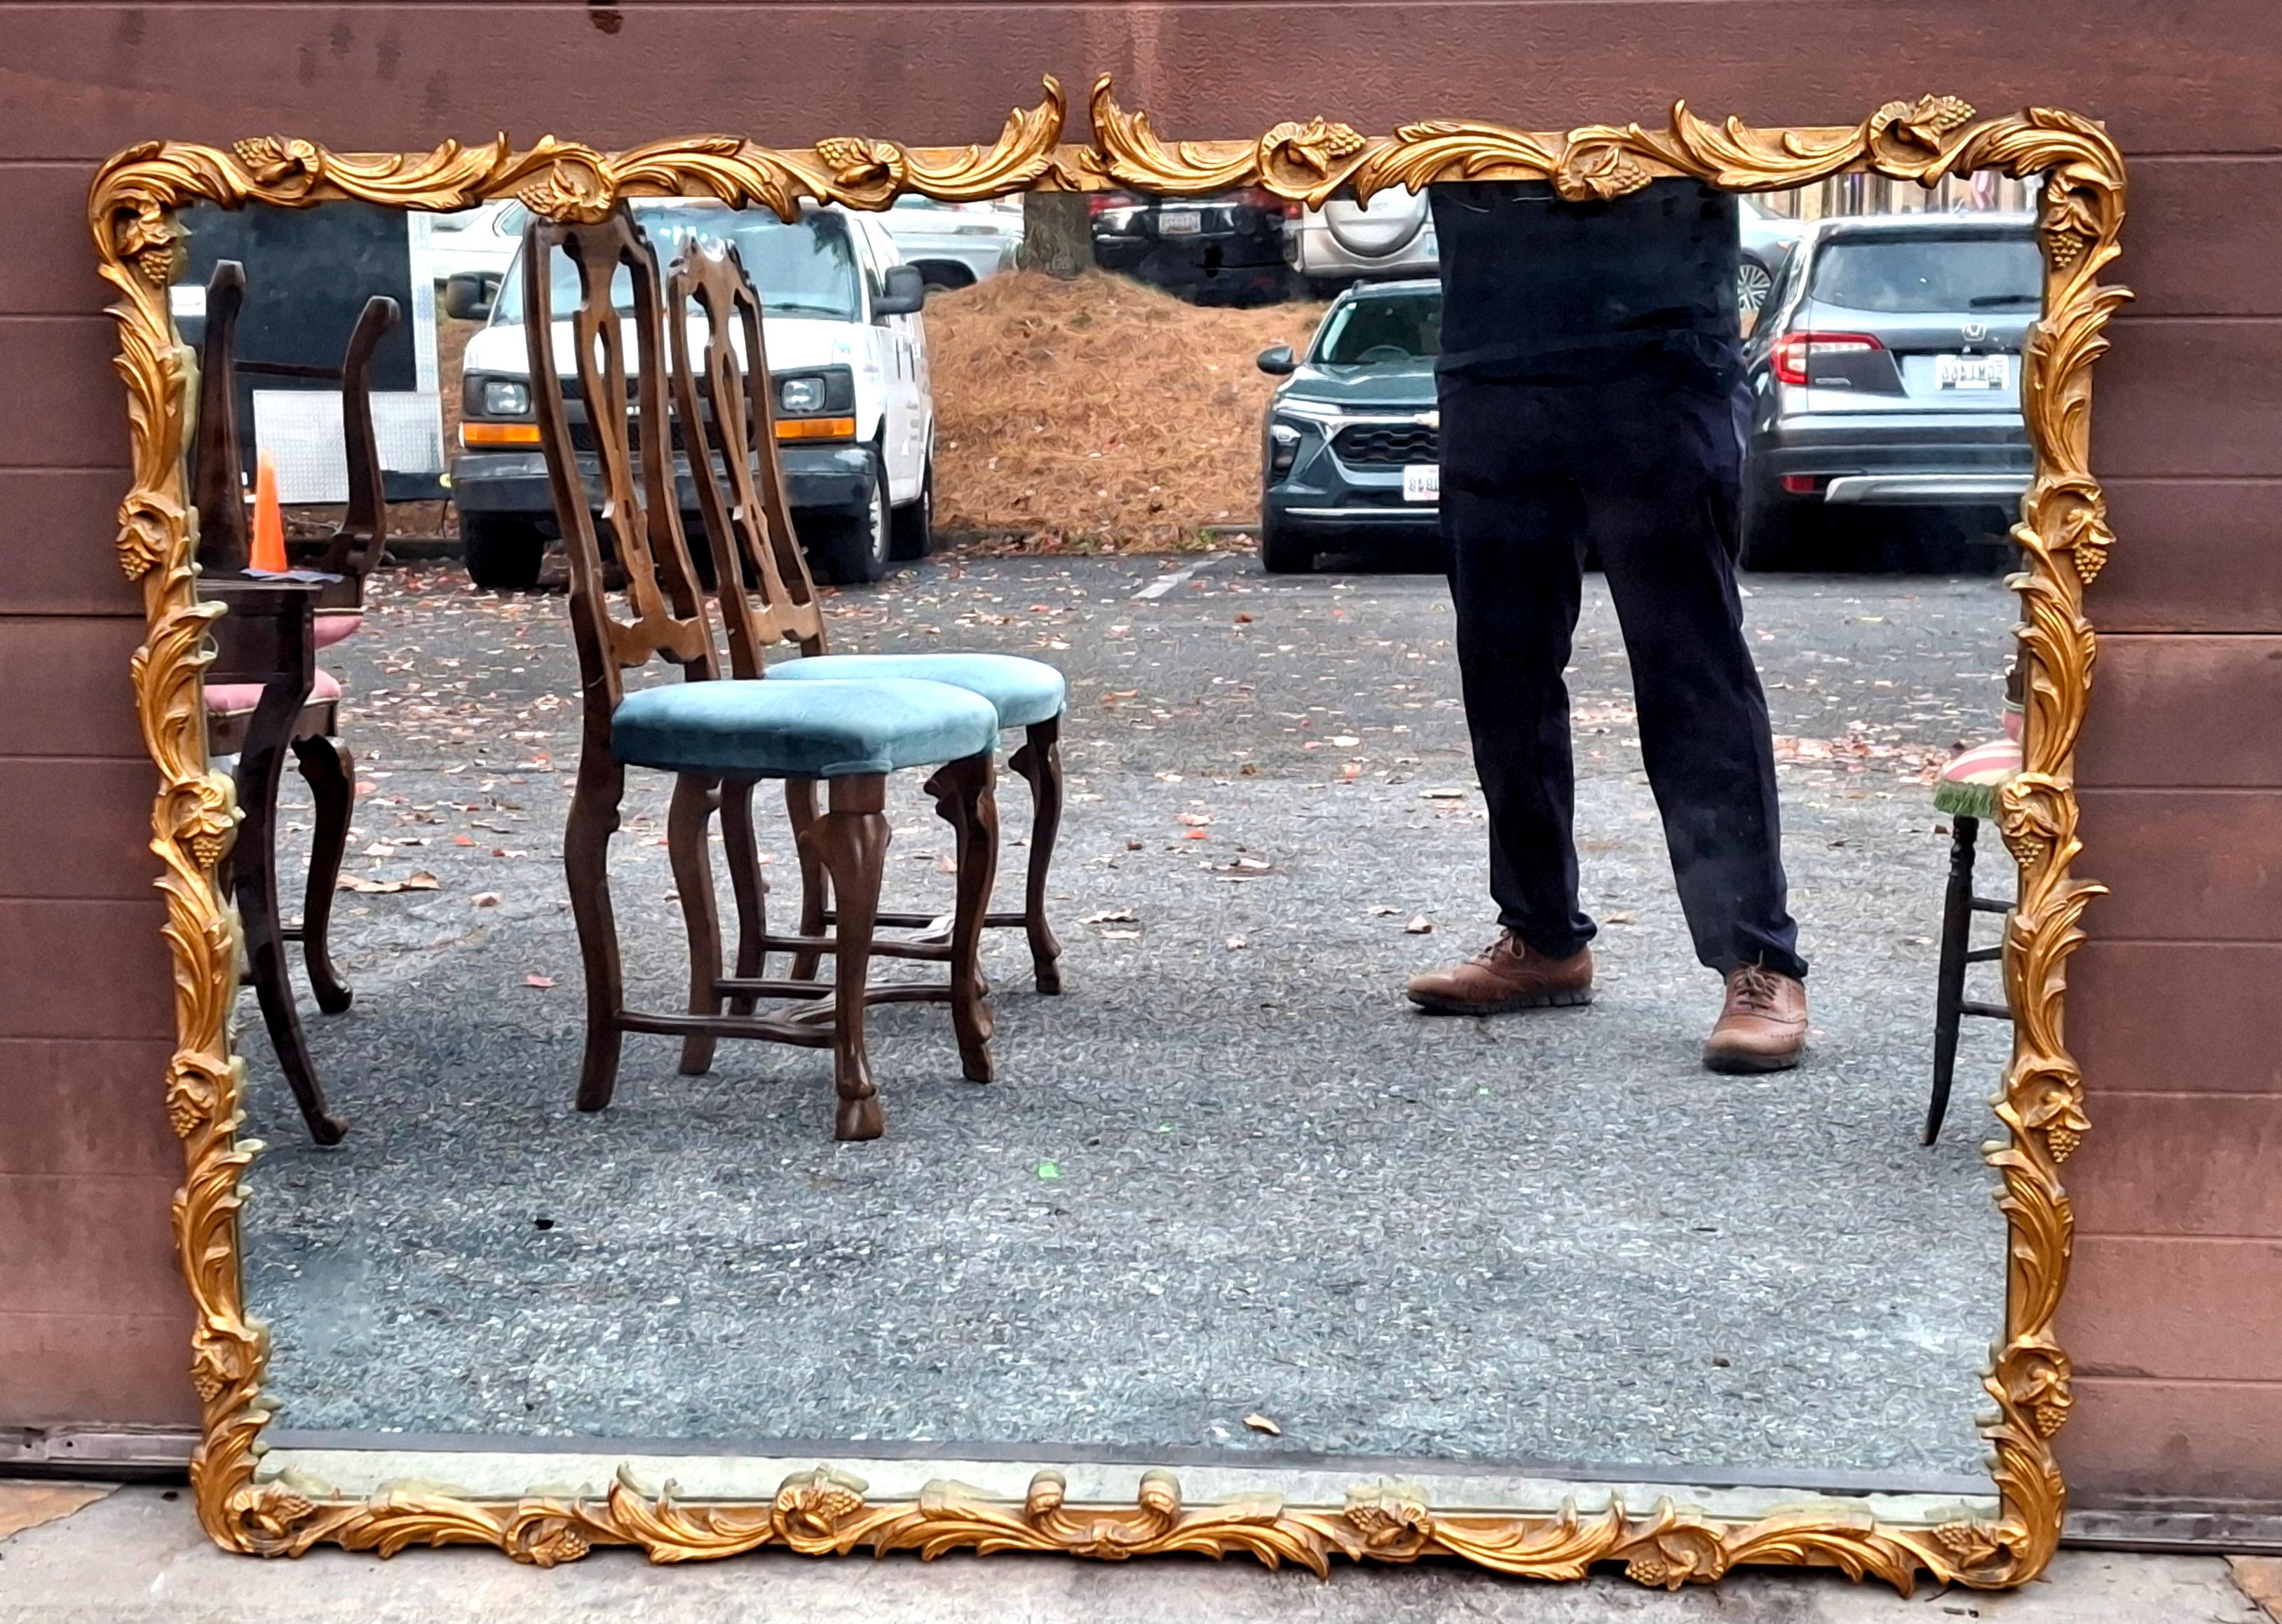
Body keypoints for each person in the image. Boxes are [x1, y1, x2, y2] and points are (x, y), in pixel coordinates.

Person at [1404, 179, 1808, 1072]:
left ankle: (1761, 962)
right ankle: (1543, 936)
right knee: (1502, 669)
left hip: (1660, 351)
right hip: (1493, 357)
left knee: (1690, 666)